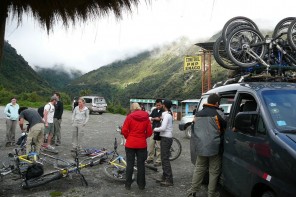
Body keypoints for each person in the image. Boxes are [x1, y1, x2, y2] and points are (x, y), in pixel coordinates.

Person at [187, 93, 227, 197]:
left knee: (199, 168)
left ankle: (193, 191)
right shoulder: (219, 113)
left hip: (201, 146)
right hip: (214, 147)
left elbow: (193, 128)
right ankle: (211, 194)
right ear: (217, 103)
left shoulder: (198, 114)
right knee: (214, 171)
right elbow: (225, 128)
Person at [121, 102, 153, 190]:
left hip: (130, 144)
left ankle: (128, 185)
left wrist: (128, 137)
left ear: (132, 109)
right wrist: (143, 137)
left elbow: (124, 130)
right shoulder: (146, 118)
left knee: (130, 164)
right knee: (141, 165)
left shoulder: (129, 117)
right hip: (142, 144)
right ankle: (141, 185)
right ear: (139, 108)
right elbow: (150, 132)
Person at [154, 99, 174, 187]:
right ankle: (164, 177)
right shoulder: (167, 114)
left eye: (162, 104)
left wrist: (154, 129)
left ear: (164, 105)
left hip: (166, 138)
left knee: (165, 159)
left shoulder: (167, 116)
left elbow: (163, 128)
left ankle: (169, 180)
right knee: (163, 158)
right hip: (166, 137)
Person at [146, 99, 163, 166]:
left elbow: (159, 119)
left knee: (159, 146)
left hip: (159, 130)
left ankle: (159, 160)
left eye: (159, 105)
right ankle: (150, 158)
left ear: (162, 104)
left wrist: (154, 119)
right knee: (151, 145)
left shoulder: (164, 111)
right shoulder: (154, 110)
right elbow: (149, 117)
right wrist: (154, 118)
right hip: (153, 130)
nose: (158, 106)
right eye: (157, 105)